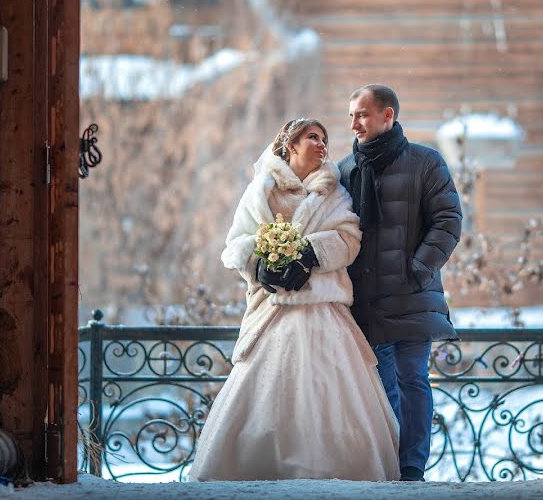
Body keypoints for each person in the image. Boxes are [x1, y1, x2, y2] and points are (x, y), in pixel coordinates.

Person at [188, 118, 399, 481]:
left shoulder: (334, 191)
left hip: (323, 307)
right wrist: (259, 265)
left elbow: (349, 238)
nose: (321, 144)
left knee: (333, 391)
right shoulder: (260, 189)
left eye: (324, 139)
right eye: (312, 137)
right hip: (272, 310)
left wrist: (310, 254)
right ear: (291, 145)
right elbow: (236, 243)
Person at [339, 84, 462, 482]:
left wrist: (417, 269)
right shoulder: (346, 170)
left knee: (412, 380)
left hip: (411, 295)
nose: (354, 123)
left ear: (387, 115)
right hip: (367, 300)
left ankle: (411, 469)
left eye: (361, 114)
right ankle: (387, 465)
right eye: (352, 115)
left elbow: (448, 221)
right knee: (381, 385)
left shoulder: (425, 162)